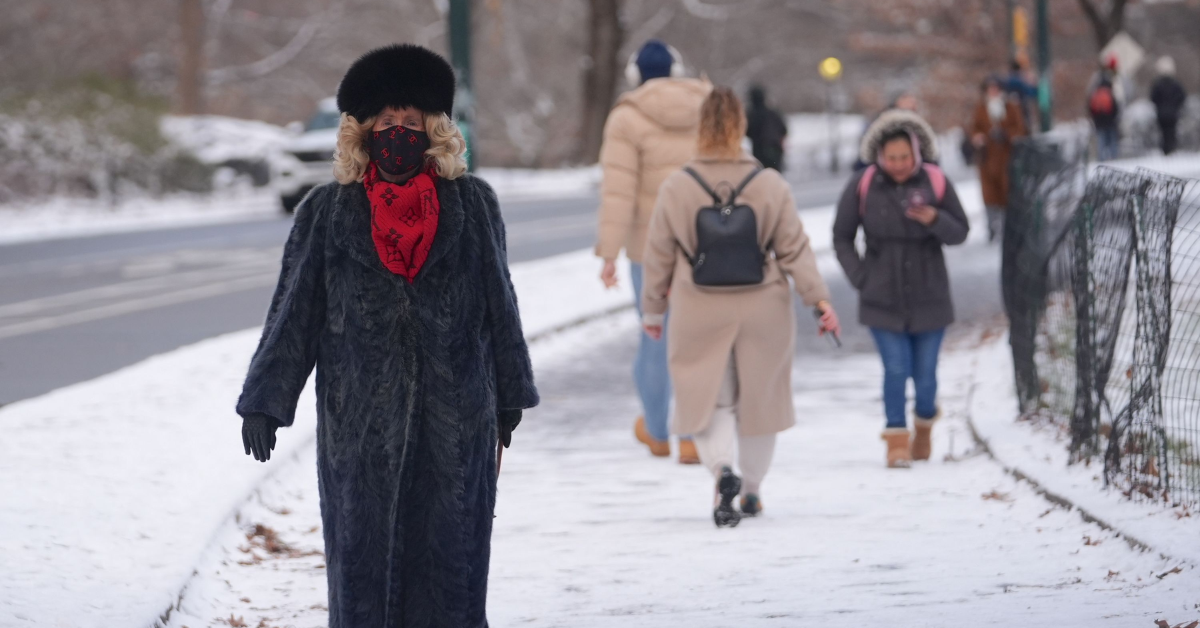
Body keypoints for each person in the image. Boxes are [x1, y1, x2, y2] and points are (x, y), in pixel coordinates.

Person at [235, 44, 538, 627]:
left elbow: (501, 303)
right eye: (386, 120)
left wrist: (510, 395)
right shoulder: (325, 212)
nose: (399, 132)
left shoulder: (473, 204)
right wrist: (265, 402)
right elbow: (293, 314)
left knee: (452, 580)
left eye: (411, 120)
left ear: (433, 129)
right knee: (362, 579)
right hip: (359, 433)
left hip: (456, 429)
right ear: (364, 130)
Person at [641, 87, 840, 527]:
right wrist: (819, 299)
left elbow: (658, 255)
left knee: (709, 397)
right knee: (760, 400)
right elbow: (795, 249)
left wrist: (653, 311)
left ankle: (721, 470)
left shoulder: (677, 186)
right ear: (742, 127)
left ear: (700, 127)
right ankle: (751, 490)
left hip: (698, 304)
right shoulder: (769, 184)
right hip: (763, 305)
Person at [833, 110, 970, 469]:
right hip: (881, 296)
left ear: (916, 153)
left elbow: (960, 232)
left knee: (925, 378)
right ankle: (896, 440)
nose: (897, 165)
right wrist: (860, 277)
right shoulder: (864, 184)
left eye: (904, 157)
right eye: (891, 158)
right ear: (879, 155)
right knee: (895, 368)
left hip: (930, 295)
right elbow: (841, 236)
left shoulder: (935, 181)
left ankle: (923, 425)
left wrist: (936, 219)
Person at [596, 39, 711, 464]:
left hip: (649, 250)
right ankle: (694, 435)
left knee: (654, 338)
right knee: (697, 340)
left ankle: (659, 432)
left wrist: (609, 254)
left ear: (635, 75)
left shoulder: (627, 117)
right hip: (706, 245)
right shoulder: (709, 108)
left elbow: (618, 191)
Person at [970, 76, 1027, 242]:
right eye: (990, 89)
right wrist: (979, 137)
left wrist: (1006, 135)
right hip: (987, 159)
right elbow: (974, 129)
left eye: (995, 88)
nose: (993, 92)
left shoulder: (1010, 107)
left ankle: (1008, 227)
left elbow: (1020, 129)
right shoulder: (981, 108)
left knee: (1007, 193)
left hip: (1007, 158)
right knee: (989, 196)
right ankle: (992, 227)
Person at [1087, 55, 1128, 161]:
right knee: (1113, 138)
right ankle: (1114, 160)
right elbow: (1119, 99)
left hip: (1099, 116)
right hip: (1111, 115)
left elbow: (1090, 98)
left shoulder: (1097, 79)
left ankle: (1101, 160)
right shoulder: (1114, 80)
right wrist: (1118, 114)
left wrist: (1092, 114)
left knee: (1101, 138)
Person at [745, 85, 788, 171]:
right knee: (775, 175)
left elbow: (747, 131)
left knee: (762, 174)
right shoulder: (773, 112)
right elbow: (784, 129)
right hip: (775, 150)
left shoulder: (752, 114)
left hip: (759, 151)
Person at [1150, 56, 1187, 156]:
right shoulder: (1175, 84)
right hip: (1173, 113)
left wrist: (1159, 106)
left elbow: (1153, 97)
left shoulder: (1158, 84)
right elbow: (1182, 96)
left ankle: (1166, 150)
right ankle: (1171, 149)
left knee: (1164, 133)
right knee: (1171, 132)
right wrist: (1176, 106)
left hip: (1162, 113)